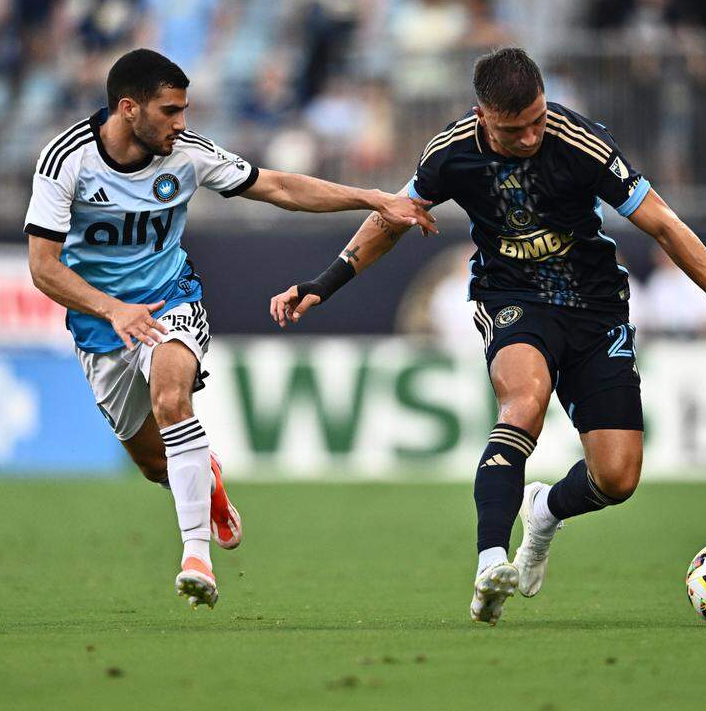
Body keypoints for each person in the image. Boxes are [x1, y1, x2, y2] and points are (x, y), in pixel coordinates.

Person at [269, 48, 706, 626]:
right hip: (512, 297)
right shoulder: (451, 152)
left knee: (617, 478)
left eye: (538, 119)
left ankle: (544, 511)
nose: (533, 135)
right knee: (524, 401)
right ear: (483, 116)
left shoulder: (580, 143)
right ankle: (491, 560)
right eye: (516, 130)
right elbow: (391, 217)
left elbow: (662, 221)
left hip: (595, 307)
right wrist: (324, 283)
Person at [24, 48, 434, 610]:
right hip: (102, 324)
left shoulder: (188, 154)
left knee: (172, 398)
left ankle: (195, 557)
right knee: (154, 463)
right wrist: (113, 310)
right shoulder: (65, 161)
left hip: (170, 299)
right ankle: (208, 482)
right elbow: (43, 268)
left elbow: (278, 187)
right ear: (128, 108)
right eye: (170, 111)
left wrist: (370, 197)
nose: (181, 123)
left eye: (184, 110)